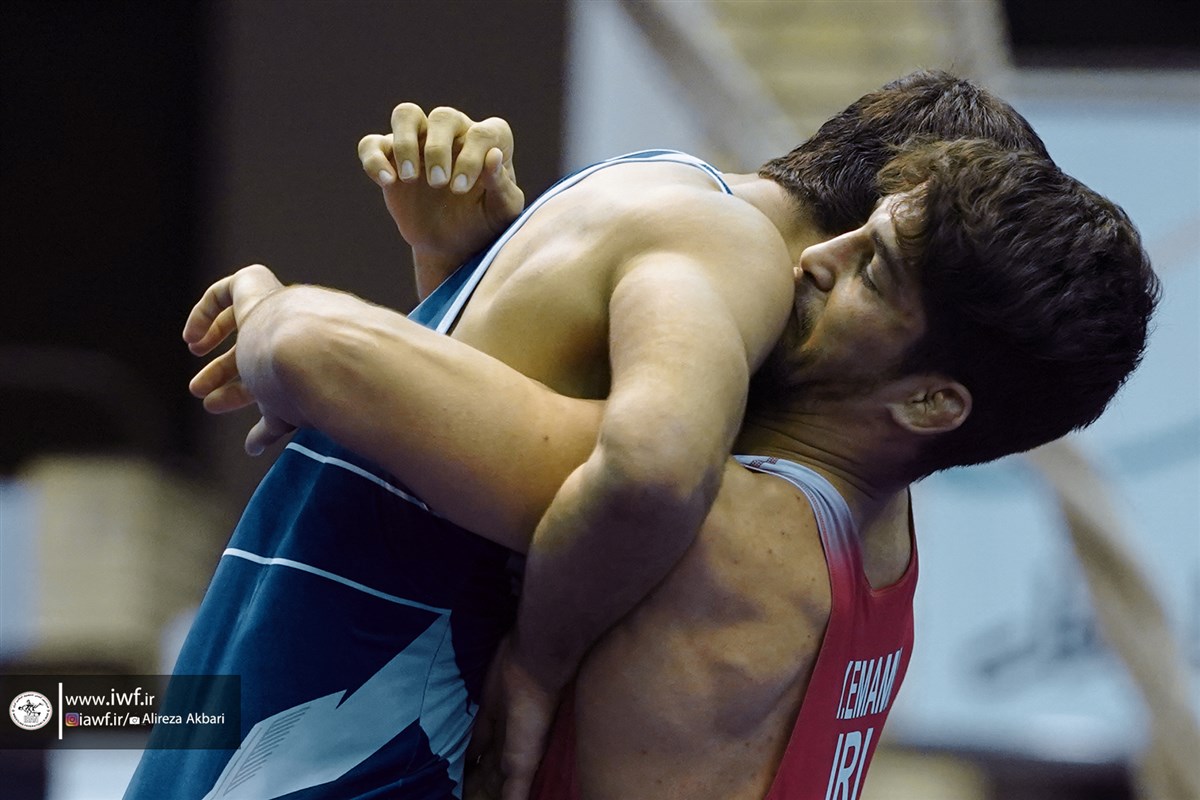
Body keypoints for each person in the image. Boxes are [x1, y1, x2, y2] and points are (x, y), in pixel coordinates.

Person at [125, 72, 1158, 799]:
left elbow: (645, 470)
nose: (811, 266)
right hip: (255, 715)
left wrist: (277, 314)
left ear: (933, 400)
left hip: (286, 751)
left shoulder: (726, 509)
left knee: (67, 709)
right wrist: (468, 275)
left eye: (877, 268)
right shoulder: (881, 543)